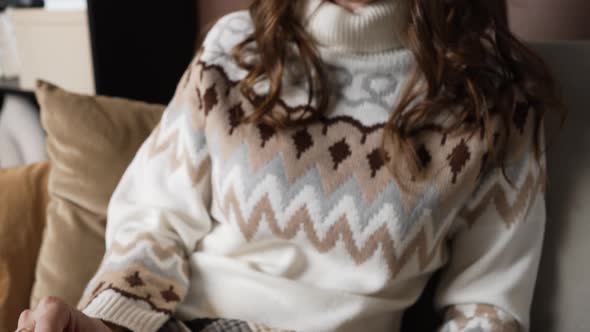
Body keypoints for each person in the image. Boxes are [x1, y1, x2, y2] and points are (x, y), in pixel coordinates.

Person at [16, 0, 562, 331]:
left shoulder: (491, 95)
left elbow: (487, 303)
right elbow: (153, 222)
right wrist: (100, 325)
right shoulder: (232, 51)